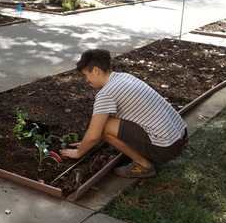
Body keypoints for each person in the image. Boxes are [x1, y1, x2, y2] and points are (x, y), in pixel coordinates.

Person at [59, 49, 188, 178]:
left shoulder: (106, 94)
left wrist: (79, 153)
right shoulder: (124, 77)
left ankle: (143, 166)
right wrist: (87, 143)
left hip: (166, 149)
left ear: (96, 70)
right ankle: (149, 154)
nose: (86, 80)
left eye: (86, 75)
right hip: (179, 136)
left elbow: (94, 135)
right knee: (106, 124)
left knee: (104, 127)